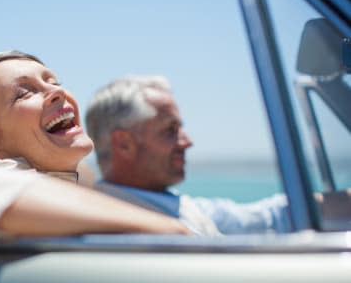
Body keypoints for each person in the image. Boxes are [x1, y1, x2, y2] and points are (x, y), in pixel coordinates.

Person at [0, 51, 191, 242]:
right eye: (24, 93)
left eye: (54, 82)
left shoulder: (56, 200)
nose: (58, 92)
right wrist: (174, 231)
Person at [85, 75, 291, 235]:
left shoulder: (171, 204)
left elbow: (256, 219)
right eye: (170, 131)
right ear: (124, 144)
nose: (187, 142)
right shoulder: (115, 225)